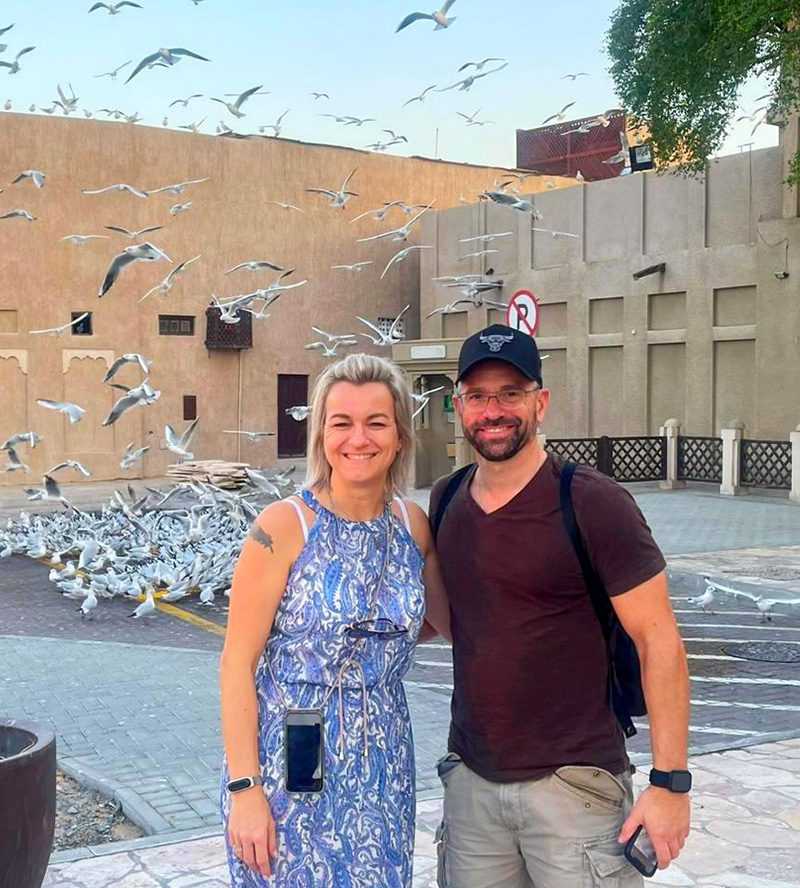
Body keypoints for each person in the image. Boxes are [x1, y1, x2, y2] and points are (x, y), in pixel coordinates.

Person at [429, 324, 691, 888]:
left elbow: (659, 640)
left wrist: (670, 784)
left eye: (510, 393)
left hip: (575, 789)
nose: (493, 410)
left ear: (540, 402)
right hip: (473, 787)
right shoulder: (445, 499)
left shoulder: (593, 501)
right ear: (458, 406)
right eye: (477, 396)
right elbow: (447, 620)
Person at [219, 352, 451, 886]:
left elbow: (441, 622)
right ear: (321, 434)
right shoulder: (282, 527)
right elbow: (237, 664)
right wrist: (245, 789)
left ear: (399, 437)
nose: (358, 439)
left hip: (383, 757)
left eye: (376, 422)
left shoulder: (412, 526)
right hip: (291, 754)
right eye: (341, 423)